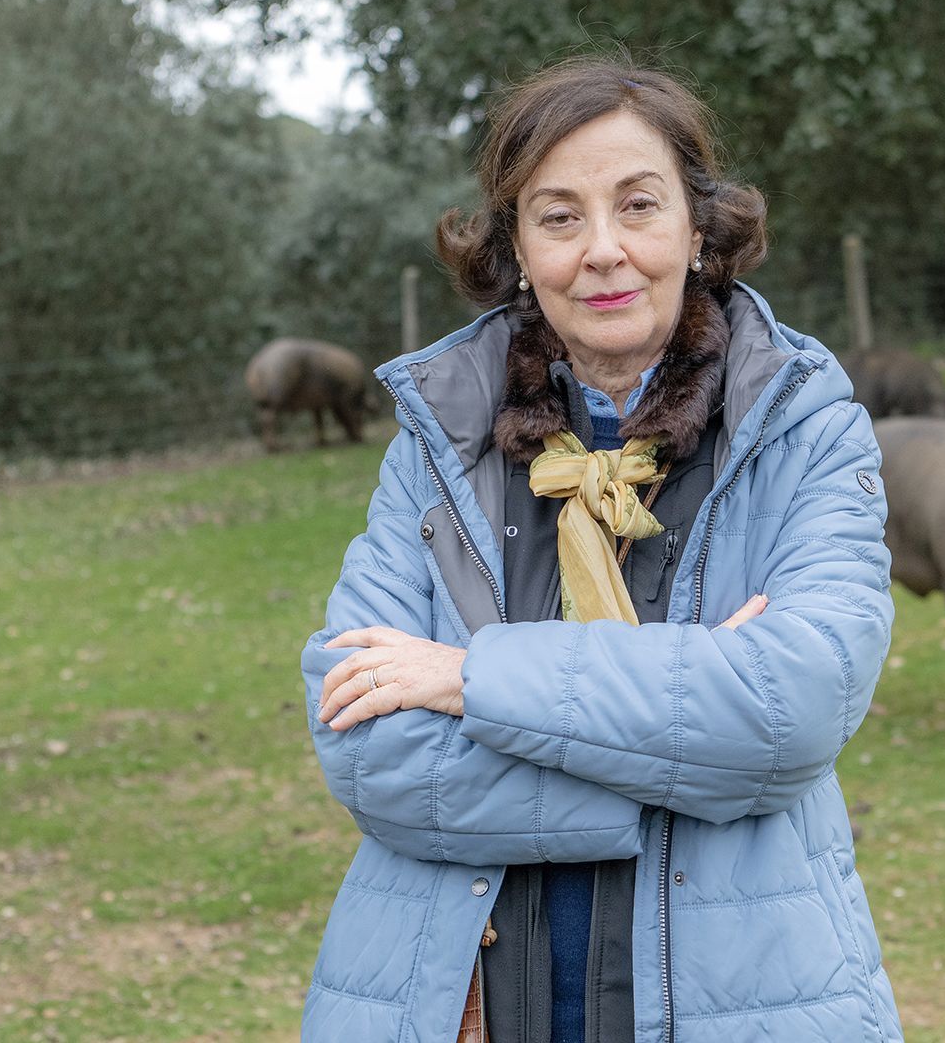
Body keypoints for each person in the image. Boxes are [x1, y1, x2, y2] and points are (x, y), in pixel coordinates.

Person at [297, 56, 903, 1043]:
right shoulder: (439, 440)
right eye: (560, 216)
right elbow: (366, 745)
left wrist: (470, 678)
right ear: (520, 248)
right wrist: (681, 752)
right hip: (455, 1009)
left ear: (697, 229)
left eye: (638, 205)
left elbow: (792, 710)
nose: (604, 251)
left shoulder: (805, 427)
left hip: (743, 1002)